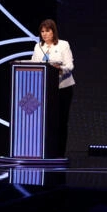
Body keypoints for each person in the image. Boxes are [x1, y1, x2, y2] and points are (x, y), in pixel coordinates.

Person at [30, 19, 75, 157]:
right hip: (44, 90)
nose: (44, 34)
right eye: (42, 31)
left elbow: (70, 66)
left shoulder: (63, 45)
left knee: (61, 121)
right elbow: (33, 64)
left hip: (63, 88)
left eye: (47, 31)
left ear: (53, 31)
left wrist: (58, 69)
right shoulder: (38, 47)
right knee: (46, 121)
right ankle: (45, 151)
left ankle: (59, 152)